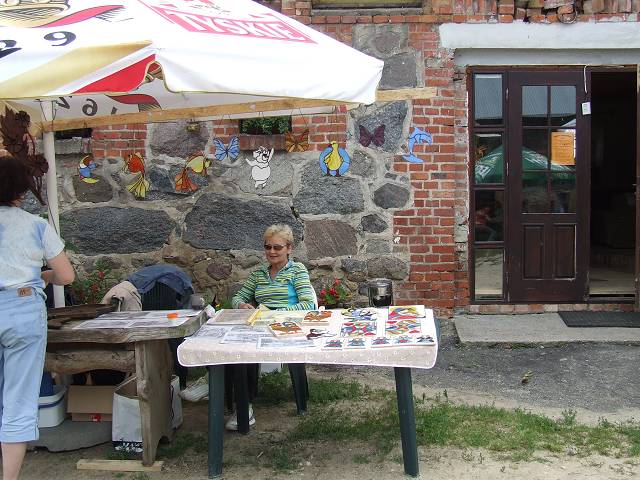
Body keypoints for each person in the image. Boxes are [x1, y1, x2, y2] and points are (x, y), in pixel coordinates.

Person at [0, 154, 75, 480]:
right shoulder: (35, 225)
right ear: (21, 190)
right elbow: (66, 276)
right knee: (18, 402)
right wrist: (44, 276)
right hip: (22, 309)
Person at [224, 224, 314, 430]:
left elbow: (308, 304)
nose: (272, 252)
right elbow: (238, 297)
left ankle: (243, 406)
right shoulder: (258, 274)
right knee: (235, 346)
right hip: (261, 325)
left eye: (277, 247)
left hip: (287, 327)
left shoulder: (297, 271)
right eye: (268, 247)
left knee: (246, 349)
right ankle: (241, 403)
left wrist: (276, 313)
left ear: (289, 248)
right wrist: (242, 305)